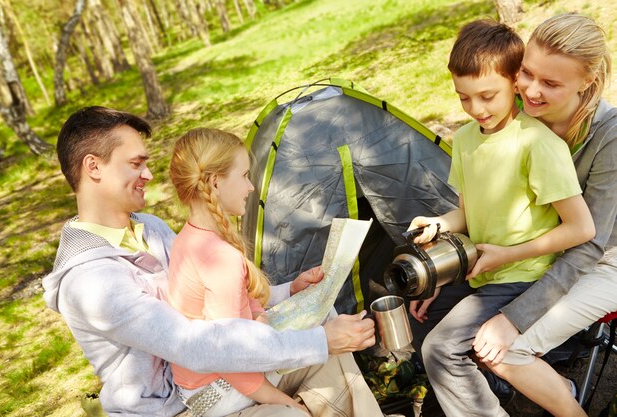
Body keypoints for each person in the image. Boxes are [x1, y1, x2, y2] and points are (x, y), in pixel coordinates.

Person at [42, 106, 379, 417]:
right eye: (135, 164)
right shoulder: (90, 282)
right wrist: (318, 342)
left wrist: (287, 292)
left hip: (217, 374)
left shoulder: (151, 228)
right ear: (93, 167)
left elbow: (206, 300)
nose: (148, 174)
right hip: (180, 406)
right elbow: (194, 344)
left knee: (330, 360)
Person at [405, 19, 596, 417]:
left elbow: (581, 228)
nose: (476, 110)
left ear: (515, 83)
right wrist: (441, 224)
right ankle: (493, 389)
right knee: (419, 320)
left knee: (441, 348)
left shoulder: (537, 144)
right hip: (483, 270)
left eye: (488, 96)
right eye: (464, 98)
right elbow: (467, 212)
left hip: (523, 275)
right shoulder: (465, 140)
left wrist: (508, 255)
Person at [166, 127, 384, 417]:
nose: (251, 187)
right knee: (325, 346)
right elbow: (234, 358)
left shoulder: (189, 239)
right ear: (215, 183)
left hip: (212, 383)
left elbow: (233, 313)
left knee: (328, 340)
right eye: (244, 176)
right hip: (219, 393)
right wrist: (286, 402)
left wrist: (291, 290)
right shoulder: (218, 257)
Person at [469, 13, 617, 417]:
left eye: (551, 84)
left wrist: (513, 319)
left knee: (506, 351)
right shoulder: (513, 110)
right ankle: (560, 387)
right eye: (526, 73)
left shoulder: (609, 137)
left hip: (606, 257)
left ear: (587, 82)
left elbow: (590, 245)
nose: (531, 91)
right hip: (548, 244)